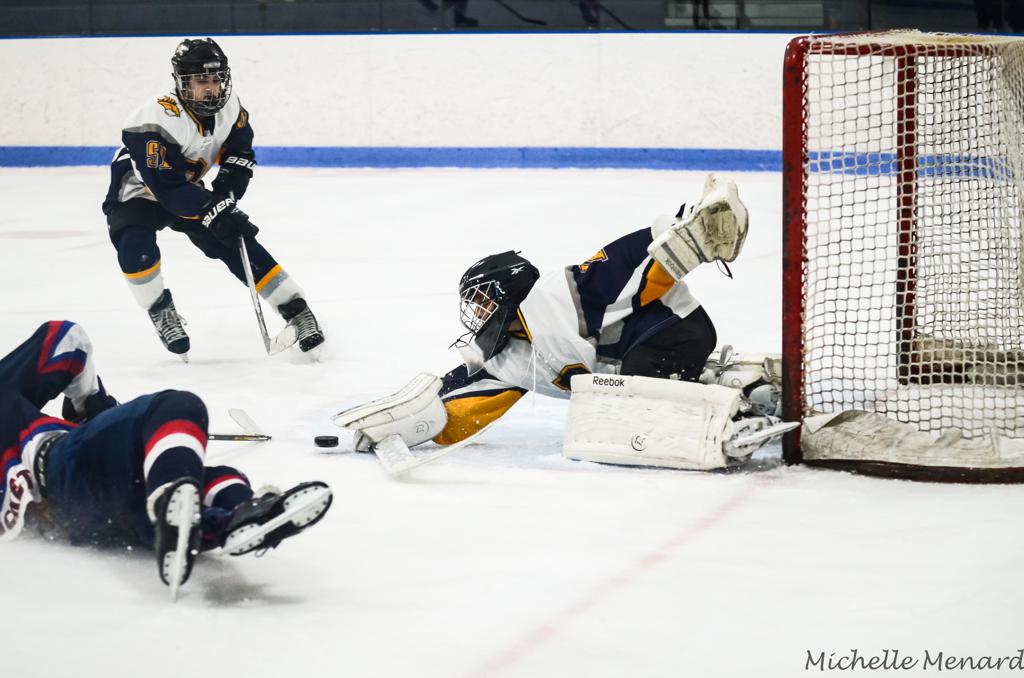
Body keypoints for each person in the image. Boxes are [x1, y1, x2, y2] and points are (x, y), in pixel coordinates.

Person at [336, 175, 786, 468]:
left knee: (628, 400)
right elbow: (465, 405)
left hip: (674, 332)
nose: (478, 314)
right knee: (619, 395)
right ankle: (741, 386)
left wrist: (683, 232)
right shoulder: (509, 358)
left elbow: (628, 261)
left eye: (482, 302)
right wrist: (408, 426)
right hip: (641, 355)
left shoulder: (558, 294)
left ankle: (724, 423)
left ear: (505, 294)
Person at [0, 319, 334, 598]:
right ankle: (189, 502)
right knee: (176, 408)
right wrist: (93, 407)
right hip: (64, 466)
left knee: (205, 485)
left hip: (81, 522)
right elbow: (66, 339)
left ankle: (231, 521)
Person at [101, 38, 325, 361]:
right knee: (135, 247)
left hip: (186, 188)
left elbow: (239, 152)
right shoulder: (152, 120)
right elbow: (166, 187)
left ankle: (296, 310)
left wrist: (225, 192)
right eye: (202, 80)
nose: (212, 88)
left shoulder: (230, 107)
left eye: (217, 78)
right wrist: (212, 208)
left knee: (234, 238)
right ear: (183, 82)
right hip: (139, 192)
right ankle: (160, 310)